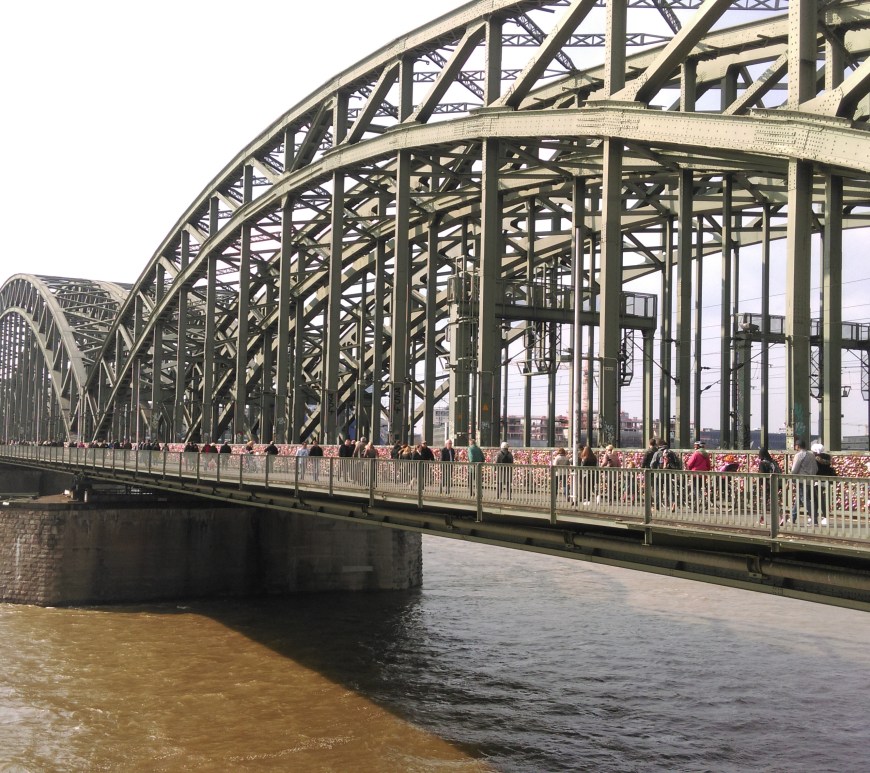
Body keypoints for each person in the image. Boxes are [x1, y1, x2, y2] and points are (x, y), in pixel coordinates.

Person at [789, 438, 817, 525]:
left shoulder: (799, 455)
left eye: (795, 445)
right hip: (810, 479)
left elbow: (794, 469)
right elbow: (816, 468)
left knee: (804, 499)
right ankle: (793, 517)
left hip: (801, 480)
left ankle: (814, 519)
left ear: (798, 446)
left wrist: (790, 478)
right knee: (800, 499)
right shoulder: (811, 455)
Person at [756, 446, 781, 524]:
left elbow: (762, 475)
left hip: (767, 485)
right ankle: (781, 516)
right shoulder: (773, 461)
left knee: (764, 501)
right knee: (774, 501)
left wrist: (761, 484)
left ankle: (762, 519)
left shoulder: (762, 463)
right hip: (775, 483)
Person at [813, 447, 835, 526]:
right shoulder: (828, 457)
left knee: (818, 500)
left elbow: (815, 470)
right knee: (819, 499)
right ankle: (815, 517)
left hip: (817, 481)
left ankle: (823, 517)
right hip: (826, 481)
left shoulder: (816, 459)